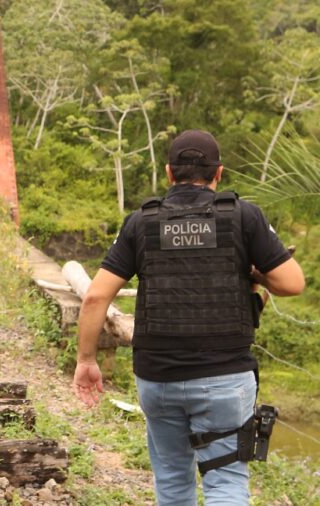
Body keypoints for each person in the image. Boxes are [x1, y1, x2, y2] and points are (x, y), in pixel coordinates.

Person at [73, 129, 305, 505]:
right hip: (226, 377)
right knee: (226, 482)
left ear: (169, 173)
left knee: (172, 482)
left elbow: (96, 296)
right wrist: (255, 274)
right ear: (219, 173)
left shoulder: (141, 222)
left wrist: (86, 360)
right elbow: (292, 283)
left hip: (158, 378)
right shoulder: (244, 217)